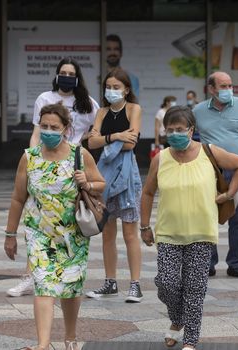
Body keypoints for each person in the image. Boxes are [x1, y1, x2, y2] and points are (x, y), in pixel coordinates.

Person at [140, 106, 238, 350]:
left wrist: (230, 193)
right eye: (170, 130)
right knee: (166, 284)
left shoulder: (208, 152)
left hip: (201, 233)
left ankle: (190, 337)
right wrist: (144, 226)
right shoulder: (161, 158)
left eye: (180, 129)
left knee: (195, 286)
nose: (175, 134)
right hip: (168, 233)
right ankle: (177, 319)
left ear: (191, 130)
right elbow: (148, 192)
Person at [4, 103, 106, 350]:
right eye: (45, 126)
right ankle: (43, 345)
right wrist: (10, 234)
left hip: (73, 235)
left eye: (54, 127)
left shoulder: (79, 155)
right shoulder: (30, 157)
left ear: (66, 128)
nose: (48, 131)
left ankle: (70, 337)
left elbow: (100, 183)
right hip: (40, 234)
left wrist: (87, 183)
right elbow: (18, 198)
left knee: (71, 289)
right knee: (44, 285)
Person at [7, 57, 99, 298]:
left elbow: (97, 127)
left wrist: (84, 147)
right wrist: (35, 159)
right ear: (57, 75)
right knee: (38, 219)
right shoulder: (44, 99)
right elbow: (37, 131)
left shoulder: (87, 103)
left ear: (77, 77)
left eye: (71, 72)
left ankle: (67, 275)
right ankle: (32, 276)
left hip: (72, 164)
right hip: (45, 163)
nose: (66, 76)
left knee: (67, 222)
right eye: (63, 72)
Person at [193, 71, 238, 278]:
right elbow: (189, 137)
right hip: (210, 171)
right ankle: (209, 262)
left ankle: (235, 263)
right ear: (211, 89)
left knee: (237, 218)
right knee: (208, 216)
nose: (228, 90)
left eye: (230, 86)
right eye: (223, 86)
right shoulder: (198, 111)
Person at [86, 68, 143, 302]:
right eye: (108, 87)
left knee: (130, 233)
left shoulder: (134, 109)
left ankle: (135, 285)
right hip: (104, 175)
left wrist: (106, 139)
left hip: (127, 175)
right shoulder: (101, 112)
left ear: (126, 89)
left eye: (116, 87)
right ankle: (110, 283)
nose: (111, 91)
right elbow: (92, 142)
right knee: (107, 232)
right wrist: (117, 137)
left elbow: (133, 143)